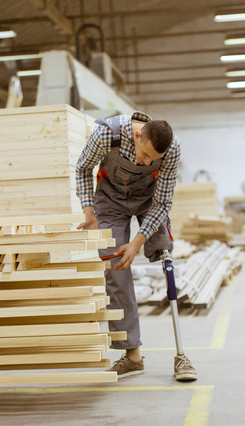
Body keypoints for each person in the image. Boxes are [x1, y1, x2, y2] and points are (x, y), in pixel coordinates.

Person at [75, 111, 197, 381]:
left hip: (149, 198)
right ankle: (133, 356)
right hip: (110, 197)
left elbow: (163, 203)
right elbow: (83, 168)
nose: (147, 161)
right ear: (137, 135)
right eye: (145, 155)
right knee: (115, 265)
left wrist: (138, 241)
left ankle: (181, 355)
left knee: (164, 253)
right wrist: (89, 211)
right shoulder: (107, 134)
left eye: (154, 159)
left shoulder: (173, 148)